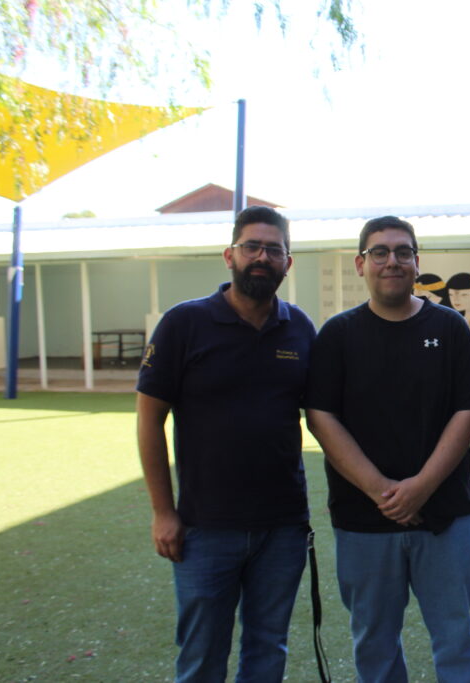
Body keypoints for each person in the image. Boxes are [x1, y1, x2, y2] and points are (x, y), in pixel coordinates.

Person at [305, 215, 470, 682]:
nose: (392, 261)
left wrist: (421, 487)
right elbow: (321, 417)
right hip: (363, 521)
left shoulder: (449, 328)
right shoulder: (338, 334)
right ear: (360, 264)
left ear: (416, 262)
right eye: (380, 252)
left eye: (403, 252)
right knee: (374, 642)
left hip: (444, 516)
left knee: (456, 637)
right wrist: (382, 490)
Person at [136, 206, 315, 682]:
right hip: (204, 528)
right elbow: (149, 420)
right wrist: (163, 511)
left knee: (268, 649)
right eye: (251, 246)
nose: (262, 257)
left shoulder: (300, 329)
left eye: (273, 250)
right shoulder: (184, 324)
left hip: (282, 527)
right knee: (201, 656)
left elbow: (325, 416)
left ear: (287, 262)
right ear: (229, 255)